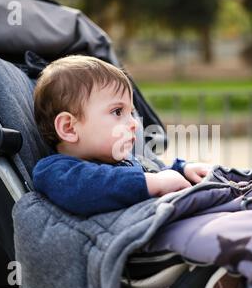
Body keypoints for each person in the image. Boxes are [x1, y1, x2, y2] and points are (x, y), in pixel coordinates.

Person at [32, 55, 212, 216]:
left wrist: (183, 170)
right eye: (118, 111)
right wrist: (153, 182)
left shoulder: (127, 159)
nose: (134, 123)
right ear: (69, 128)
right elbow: (93, 188)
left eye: (132, 113)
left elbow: (154, 169)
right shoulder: (57, 171)